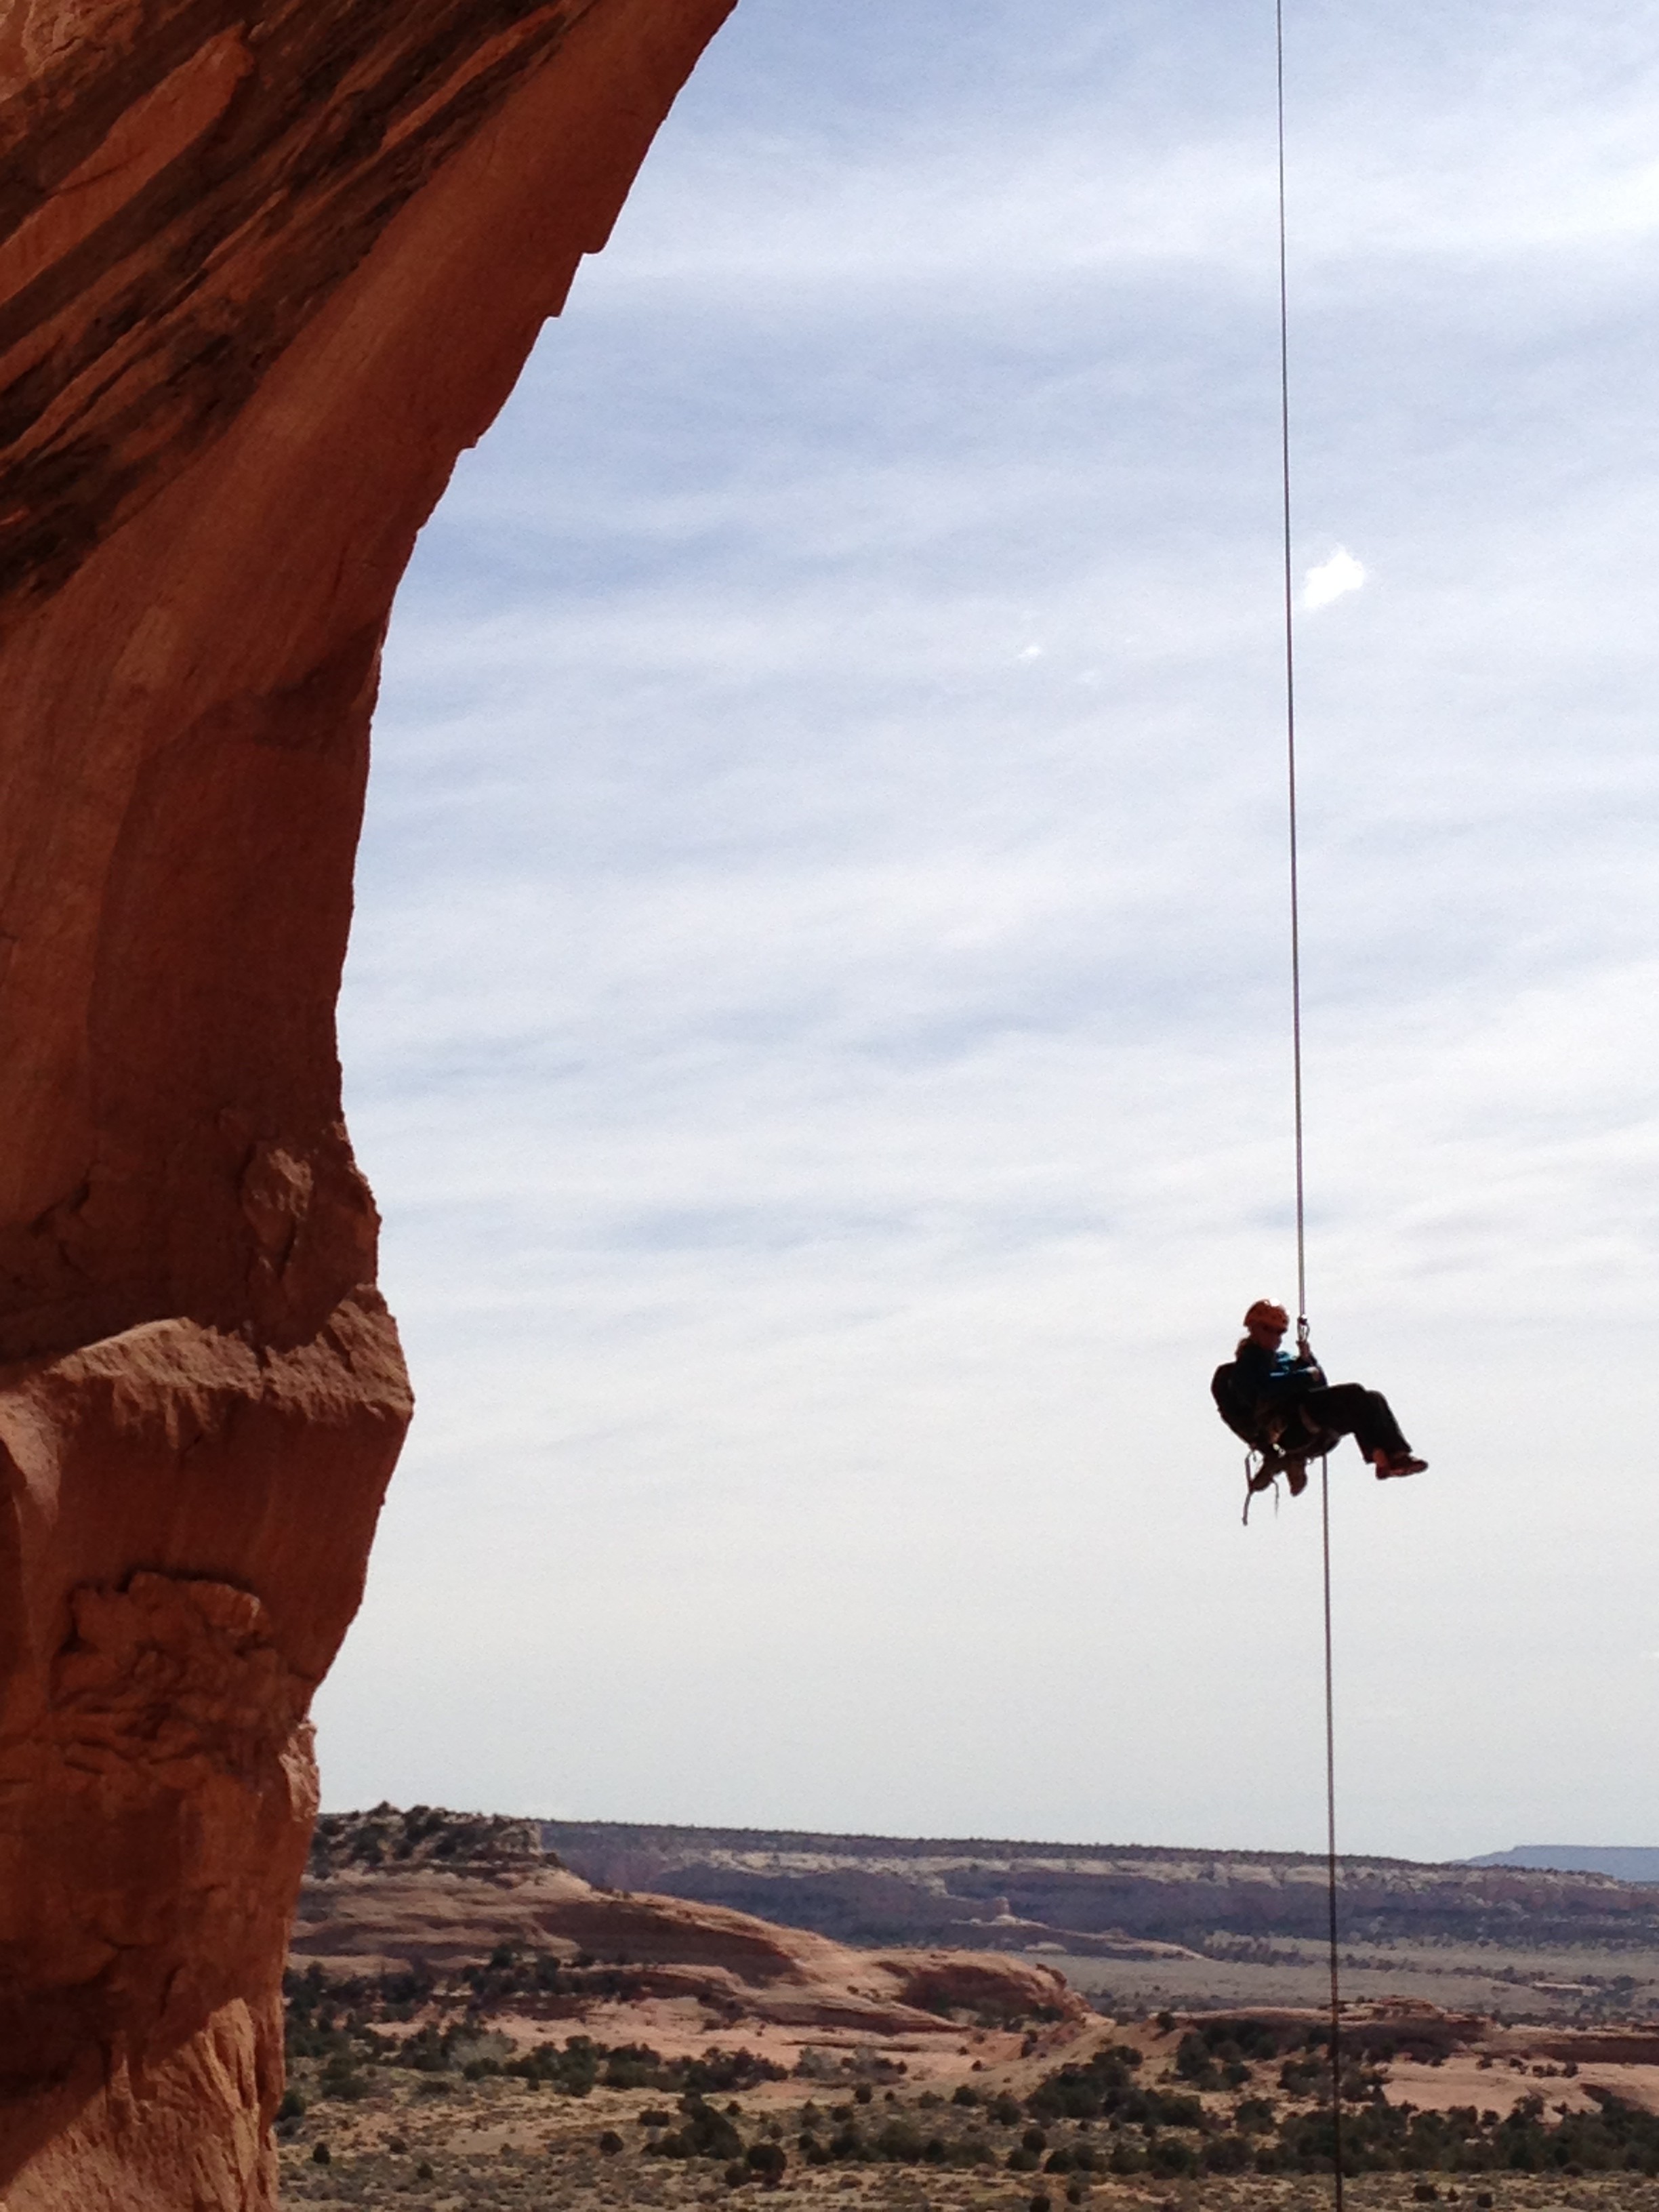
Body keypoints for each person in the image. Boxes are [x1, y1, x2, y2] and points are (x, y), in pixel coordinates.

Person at [1212, 1299, 1426, 1496]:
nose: (1276, 1337)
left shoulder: (1284, 1359)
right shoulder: (1245, 1367)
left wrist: (1308, 1361)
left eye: (1280, 1332)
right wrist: (1305, 1375)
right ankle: (1383, 1457)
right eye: (1269, 1330)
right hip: (1290, 1424)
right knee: (1354, 1395)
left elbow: (1319, 1383)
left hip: (1307, 1421)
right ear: (1254, 1329)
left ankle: (1390, 1458)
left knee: (1372, 1399)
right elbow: (1263, 1389)